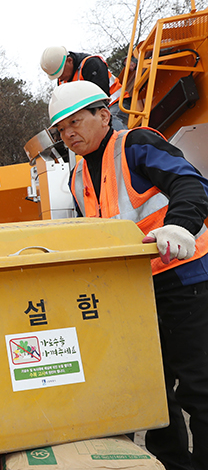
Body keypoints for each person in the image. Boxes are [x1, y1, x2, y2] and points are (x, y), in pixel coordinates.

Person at [48, 80, 208, 470]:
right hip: (135, 292)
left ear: (104, 115)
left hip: (186, 279)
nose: (69, 133)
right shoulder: (76, 177)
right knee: (152, 392)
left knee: (199, 387)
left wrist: (179, 226)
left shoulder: (135, 145)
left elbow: (191, 184)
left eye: (76, 122)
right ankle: (172, 464)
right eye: (61, 129)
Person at [41, 45, 129, 130]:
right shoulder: (62, 81)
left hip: (117, 102)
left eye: (61, 73)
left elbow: (101, 99)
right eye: (57, 75)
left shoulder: (91, 64)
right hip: (93, 112)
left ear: (69, 60)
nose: (60, 77)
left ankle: (125, 143)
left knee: (110, 124)